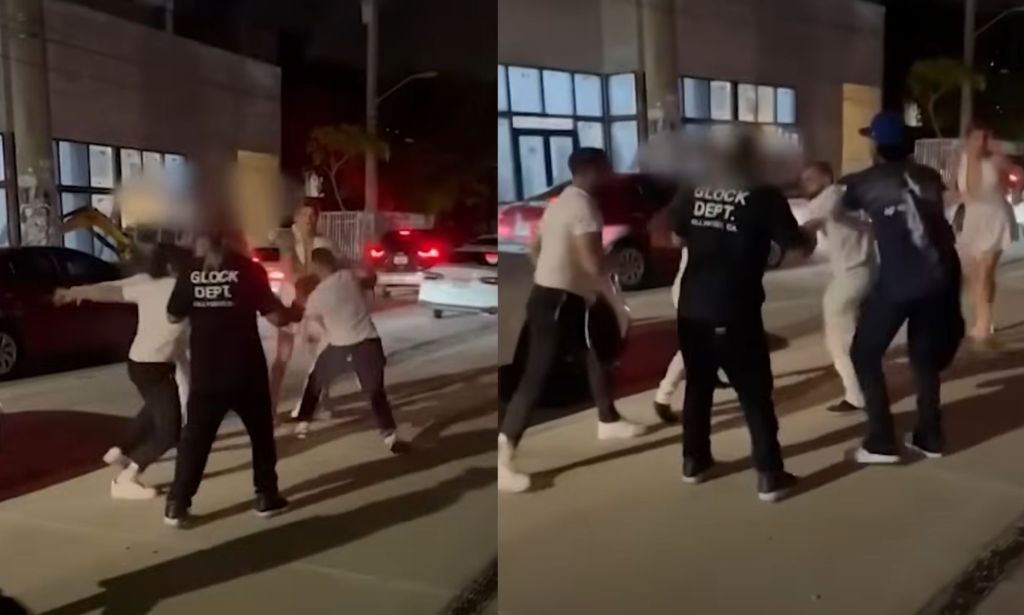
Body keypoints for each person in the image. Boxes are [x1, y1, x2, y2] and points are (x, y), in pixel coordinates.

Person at [671, 132, 816, 502]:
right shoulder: (764, 195)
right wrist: (807, 237)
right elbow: (795, 245)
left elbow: (675, 238)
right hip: (736, 307)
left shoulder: (694, 186)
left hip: (692, 306)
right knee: (754, 393)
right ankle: (769, 473)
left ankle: (694, 461)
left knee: (698, 385)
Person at [498, 147, 645, 494]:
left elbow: (535, 249)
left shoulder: (561, 202)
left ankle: (608, 421)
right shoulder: (584, 206)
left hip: (554, 296)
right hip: (559, 302)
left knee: (591, 354)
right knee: (537, 373)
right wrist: (620, 264)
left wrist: (555, 272)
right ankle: (505, 451)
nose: (611, 176)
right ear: (593, 170)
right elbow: (594, 264)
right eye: (607, 169)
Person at [843, 111, 964, 463]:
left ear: (877, 145)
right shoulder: (928, 176)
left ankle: (881, 440)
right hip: (937, 278)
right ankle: (930, 435)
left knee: (864, 354)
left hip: (897, 282)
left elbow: (844, 209)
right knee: (922, 358)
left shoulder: (865, 181)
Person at [163, 229, 304, 527]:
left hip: (206, 373)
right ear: (238, 238)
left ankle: (177, 503)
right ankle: (266, 496)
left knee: (195, 440)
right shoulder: (248, 270)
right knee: (261, 436)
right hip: (245, 371)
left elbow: (173, 316)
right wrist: (297, 310)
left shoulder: (191, 270)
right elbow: (277, 317)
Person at [54, 244, 188, 500]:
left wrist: (73, 292)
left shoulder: (146, 282)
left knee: (154, 410)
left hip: (141, 363)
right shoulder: (178, 288)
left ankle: (120, 450)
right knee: (170, 431)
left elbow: (109, 289)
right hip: (153, 366)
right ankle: (126, 478)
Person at [290, 248, 407, 452]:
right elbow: (369, 277)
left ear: (316, 267)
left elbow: (309, 318)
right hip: (367, 341)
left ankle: (303, 423)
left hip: (339, 345)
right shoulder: (349, 277)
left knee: (315, 380)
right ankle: (390, 436)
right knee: (375, 392)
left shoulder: (315, 297)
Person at [799, 161, 876, 413]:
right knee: (860, 335)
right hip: (871, 270)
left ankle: (856, 395)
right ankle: (870, 385)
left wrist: (797, 236)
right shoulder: (855, 195)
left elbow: (810, 234)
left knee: (838, 340)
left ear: (826, 178)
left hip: (849, 276)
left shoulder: (825, 198)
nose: (804, 183)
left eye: (810, 177)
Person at [269, 202, 340, 417]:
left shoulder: (324, 242)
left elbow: (329, 270)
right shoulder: (285, 238)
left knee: (318, 355)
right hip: (292, 304)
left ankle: (321, 400)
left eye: (313, 215)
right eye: (305, 215)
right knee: (282, 356)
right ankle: (271, 406)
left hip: (316, 305)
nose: (309, 219)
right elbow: (290, 270)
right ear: (296, 216)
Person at [955, 122, 1019, 346]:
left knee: (984, 272)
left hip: (994, 218)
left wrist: (1016, 193)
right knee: (972, 273)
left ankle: (983, 323)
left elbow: (1019, 173)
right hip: (973, 219)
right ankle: (983, 318)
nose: (980, 143)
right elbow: (964, 189)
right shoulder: (962, 159)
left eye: (984, 138)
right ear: (968, 139)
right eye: (976, 138)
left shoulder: (995, 159)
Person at [651, 245, 729, 423]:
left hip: (696, 285)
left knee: (709, 339)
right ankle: (663, 397)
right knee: (694, 345)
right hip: (697, 289)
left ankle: (711, 375)